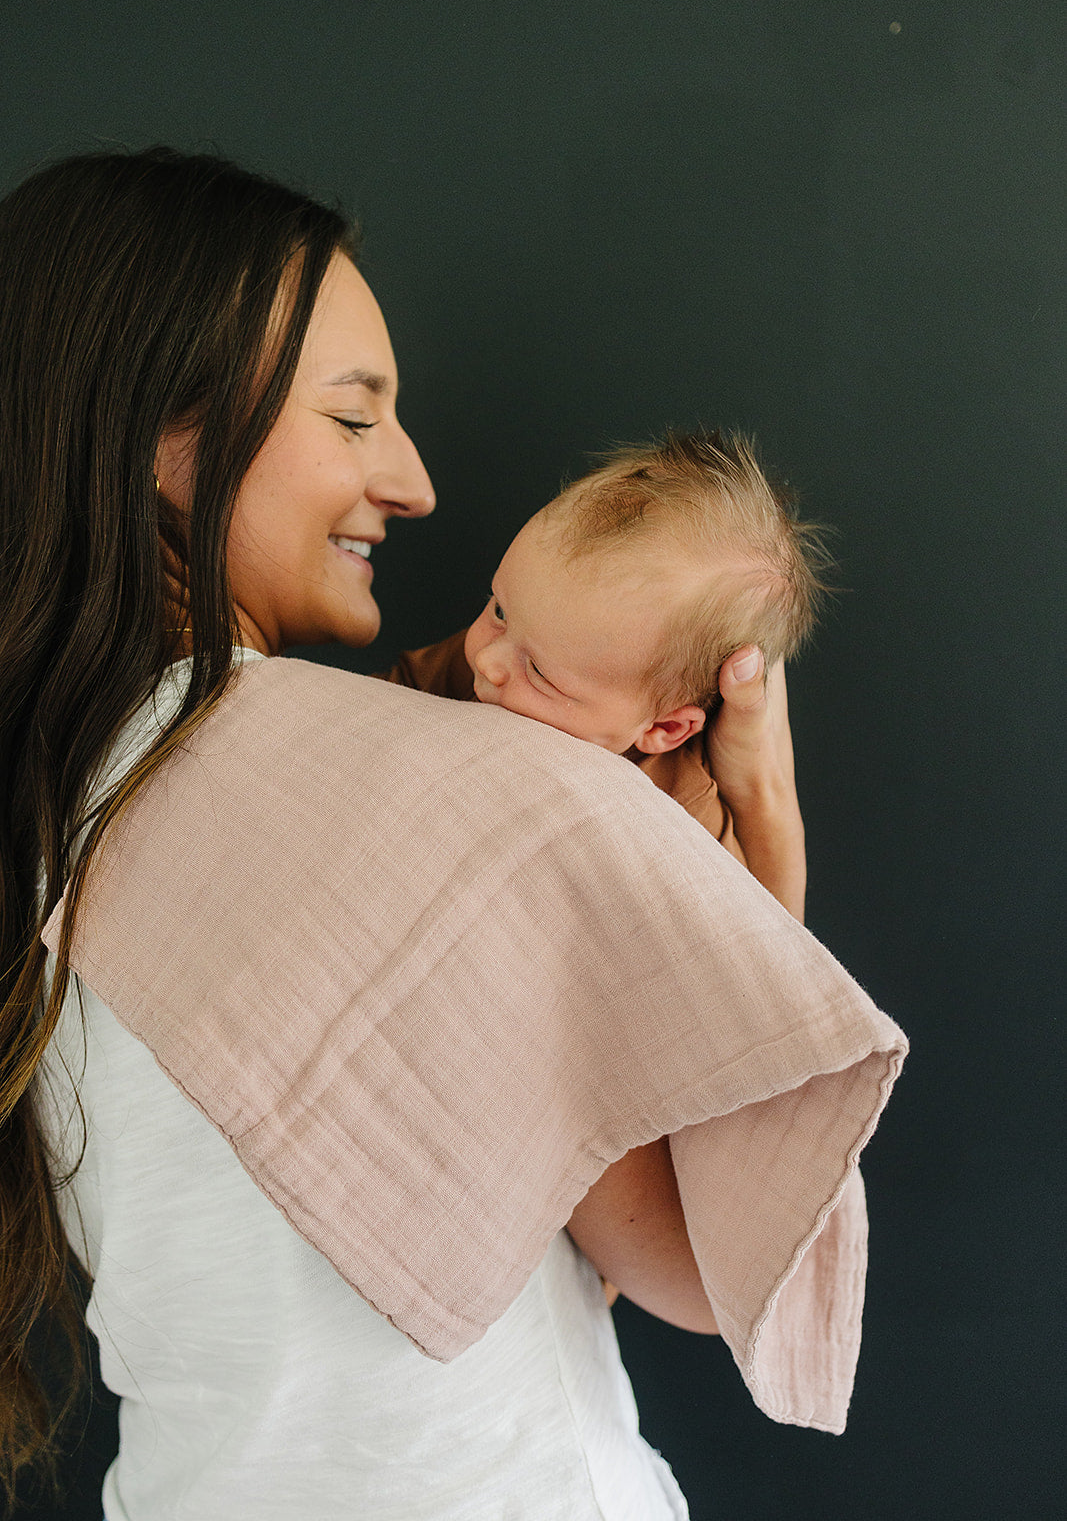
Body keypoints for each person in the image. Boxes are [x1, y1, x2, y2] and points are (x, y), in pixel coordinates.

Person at [0, 147, 881, 1520]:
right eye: (354, 421)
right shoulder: (459, 802)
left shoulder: (47, 805)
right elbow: (699, 1274)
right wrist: (760, 846)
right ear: (162, 442)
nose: (411, 481)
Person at [387, 428, 831, 922]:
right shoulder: (486, 663)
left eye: (538, 672)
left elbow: (735, 940)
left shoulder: (682, 809)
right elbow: (381, 709)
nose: (487, 662)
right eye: (498, 610)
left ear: (663, 729)